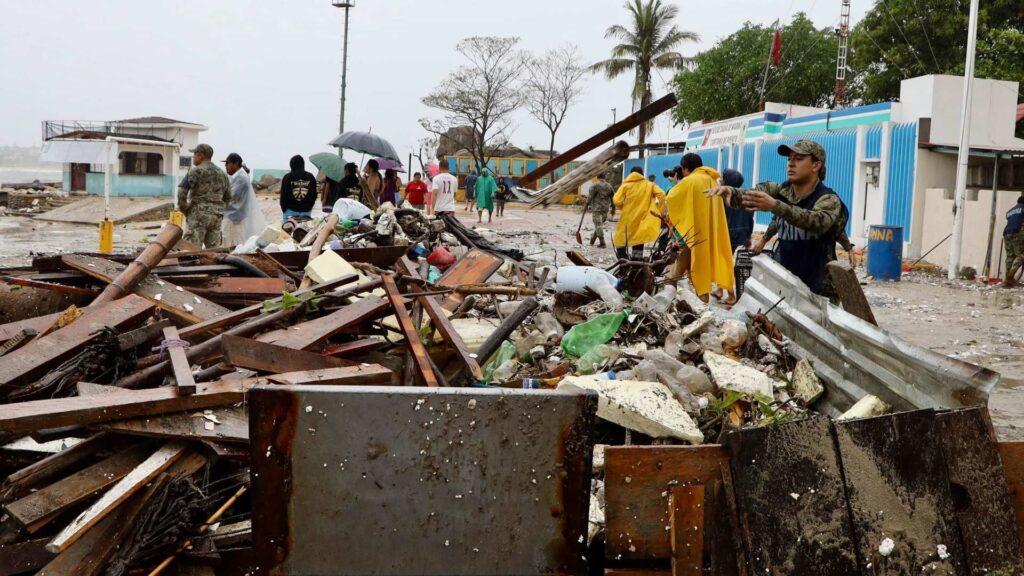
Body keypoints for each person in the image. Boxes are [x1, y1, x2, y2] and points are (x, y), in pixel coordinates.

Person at [708, 139, 850, 298]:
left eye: (799, 158)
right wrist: (732, 192)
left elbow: (818, 222)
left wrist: (775, 206)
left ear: (816, 165)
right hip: (786, 284)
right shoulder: (780, 191)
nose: (790, 163)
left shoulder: (828, 199)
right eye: (789, 159)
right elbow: (751, 194)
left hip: (818, 291)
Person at [666, 153, 735, 302]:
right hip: (709, 234)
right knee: (699, 269)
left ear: (685, 168)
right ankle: (703, 303)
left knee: (681, 271)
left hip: (691, 235)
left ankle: (678, 300)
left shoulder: (689, 181)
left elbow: (670, 198)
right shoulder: (713, 181)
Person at [178, 143, 230, 248]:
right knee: (213, 251)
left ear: (201, 155)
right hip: (216, 216)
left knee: (191, 250)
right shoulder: (223, 174)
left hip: (198, 215)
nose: (193, 157)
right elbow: (228, 197)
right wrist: (219, 209)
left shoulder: (194, 171)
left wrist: (186, 210)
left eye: (195, 155)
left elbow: (181, 193)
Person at [613, 166, 666, 260]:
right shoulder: (649, 185)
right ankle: (636, 263)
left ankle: (623, 261)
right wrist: (659, 211)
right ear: (642, 174)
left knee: (620, 240)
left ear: (631, 174)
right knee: (638, 239)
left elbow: (617, 201)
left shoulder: (625, 185)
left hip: (627, 218)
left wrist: (623, 207)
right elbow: (662, 194)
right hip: (643, 218)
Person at [221, 152, 266, 246]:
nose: (226, 166)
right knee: (229, 242)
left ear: (236, 164)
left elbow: (230, 196)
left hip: (236, 218)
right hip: (233, 216)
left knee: (235, 243)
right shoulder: (236, 176)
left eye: (228, 163)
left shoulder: (241, 178)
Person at [721, 169, 754, 250]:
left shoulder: (722, 199)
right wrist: (748, 237)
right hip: (741, 238)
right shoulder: (747, 199)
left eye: (722, 179)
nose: (720, 180)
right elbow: (750, 220)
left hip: (726, 237)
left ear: (726, 183)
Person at [280, 155, 317, 223]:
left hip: (290, 212)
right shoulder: (311, 177)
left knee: (287, 232)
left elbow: (283, 196)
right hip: (306, 212)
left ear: (291, 164)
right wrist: (309, 207)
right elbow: (314, 195)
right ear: (303, 164)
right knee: (304, 232)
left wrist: (284, 209)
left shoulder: (287, 177)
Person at [587, 172, 616, 248]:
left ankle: (602, 243)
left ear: (597, 177)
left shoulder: (594, 185)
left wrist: (587, 204)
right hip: (605, 209)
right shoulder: (609, 186)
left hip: (597, 209)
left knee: (598, 225)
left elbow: (590, 197)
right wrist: (613, 208)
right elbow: (613, 198)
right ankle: (592, 241)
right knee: (599, 225)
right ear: (605, 177)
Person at [1003, 195, 1024, 287]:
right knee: (1021, 255)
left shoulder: (1009, 211)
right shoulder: (1023, 208)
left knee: (1010, 256)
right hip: (1017, 232)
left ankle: (1007, 279)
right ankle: (1010, 276)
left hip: (1006, 233)